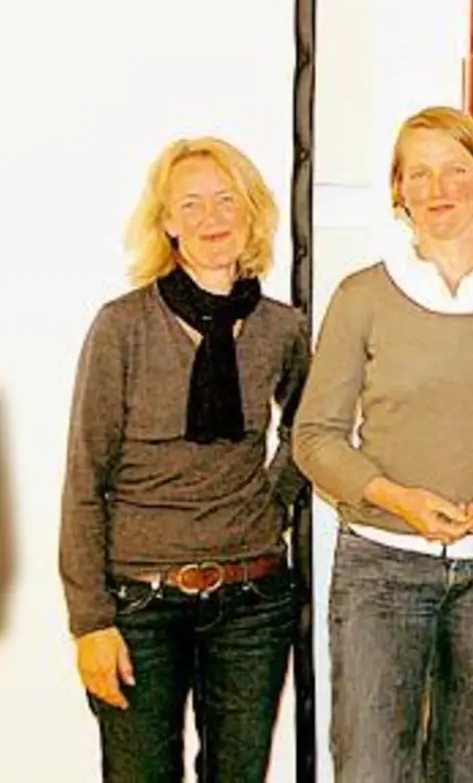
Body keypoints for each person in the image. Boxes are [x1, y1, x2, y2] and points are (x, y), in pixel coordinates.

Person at [293, 106, 473, 781]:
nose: (437, 188)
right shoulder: (362, 296)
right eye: (417, 173)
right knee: (371, 768)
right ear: (398, 192)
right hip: (381, 567)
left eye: (455, 169)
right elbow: (315, 437)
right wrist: (396, 499)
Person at [60, 137, 309, 781]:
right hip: (140, 606)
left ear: (251, 212)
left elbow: (313, 431)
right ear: (167, 222)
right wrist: (90, 623)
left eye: (226, 200)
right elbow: (85, 478)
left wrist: (272, 498)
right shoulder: (122, 327)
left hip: (254, 602)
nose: (211, 218)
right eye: (190, 204)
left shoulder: (283, 330)